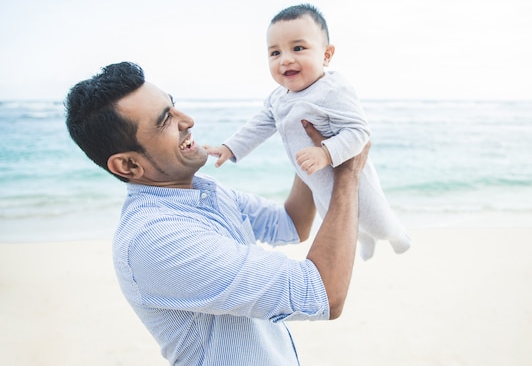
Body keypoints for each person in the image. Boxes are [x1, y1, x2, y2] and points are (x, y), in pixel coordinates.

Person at [64, 61, 369, 366]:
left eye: (174, 106)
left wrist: (301, 137)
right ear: (128, 165)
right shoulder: (156, 238)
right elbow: (323, 294)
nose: (188, 121)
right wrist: (347, 174)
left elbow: (291, 223)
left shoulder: (203, 191)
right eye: (165, 121)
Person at [206, 4, 410, 260]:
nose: (286, 59)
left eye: (298, 48)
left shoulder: (332, 89)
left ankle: (397, 235)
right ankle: (364, 239)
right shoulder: (278, 98)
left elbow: (359, 132)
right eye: (275, 52)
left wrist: (326, 153)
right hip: (317, 181)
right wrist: (230, 148)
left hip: (348, 174)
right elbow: (259, 124)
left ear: (326, 55)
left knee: (374, 216)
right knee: (334, 219)